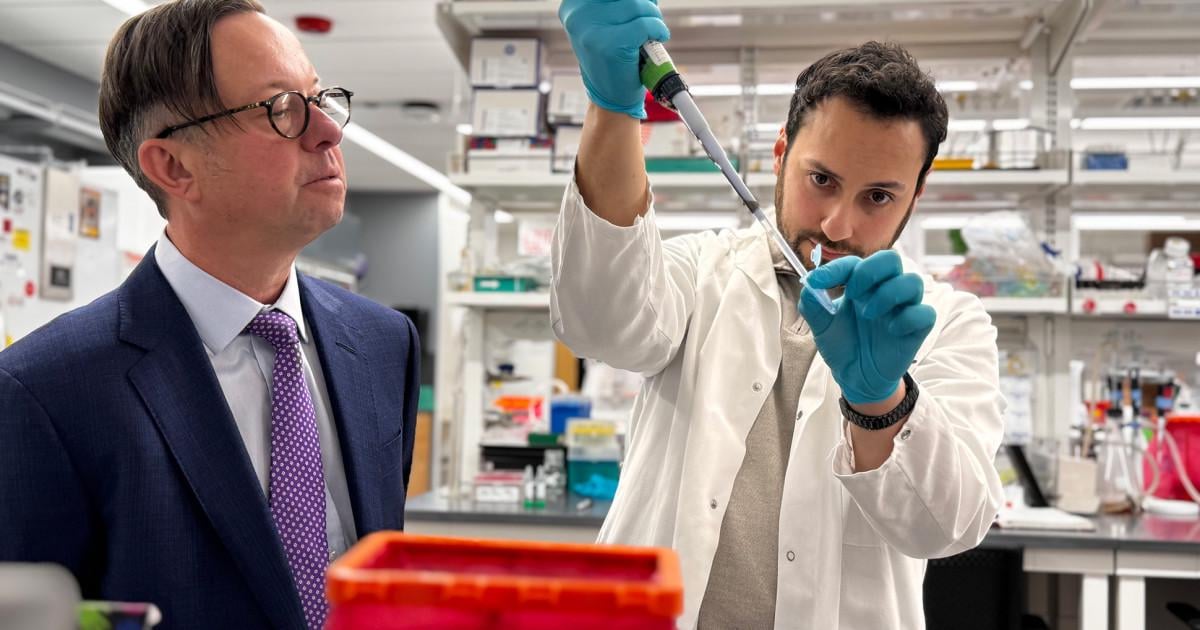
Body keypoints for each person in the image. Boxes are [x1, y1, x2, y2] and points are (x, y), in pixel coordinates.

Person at [553, 1, 1005, 627]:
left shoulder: (947, 323)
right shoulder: (702, 272)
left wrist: (881, 401)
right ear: (780, 153)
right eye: (822, 180)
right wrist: (611, 107)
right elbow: (600, 323)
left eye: (878, 196)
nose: (838, 225)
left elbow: (945, 526)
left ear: (915, 195)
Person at [0, 2, 420, 628]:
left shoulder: (384, 344)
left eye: (320, 98)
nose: (328, 132)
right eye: (280, 108)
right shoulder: (44, 392)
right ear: (173, 166)